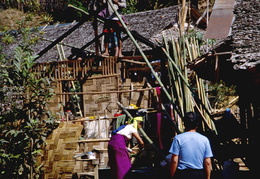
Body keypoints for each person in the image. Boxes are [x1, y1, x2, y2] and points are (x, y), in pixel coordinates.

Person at [169, 112, 213, 179]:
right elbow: (207, 162)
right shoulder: (204, 140)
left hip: (183, 174)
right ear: (197, 125)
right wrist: (208, 177)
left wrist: (172, 175)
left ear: (185, 124)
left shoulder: (178, 139)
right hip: (199, 174)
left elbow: (174, 160)